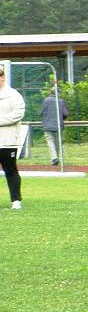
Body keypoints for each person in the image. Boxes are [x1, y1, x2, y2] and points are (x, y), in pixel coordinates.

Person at [0, 66, 25, 210]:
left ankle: (16, 200)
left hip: (8, 141)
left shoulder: (13, 95)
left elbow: (18, 114)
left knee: (10, 170)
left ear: (2, 77)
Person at [39, 87, 69, 166]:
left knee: (50, 141)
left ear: (50, 92)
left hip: (48, 125)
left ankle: (54, 158)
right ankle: (56, 157)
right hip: (58, 125)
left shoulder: (46, 100)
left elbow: (41, 112)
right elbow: (66, 114)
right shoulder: (61, 101)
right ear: (58, 93)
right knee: (57, 142)